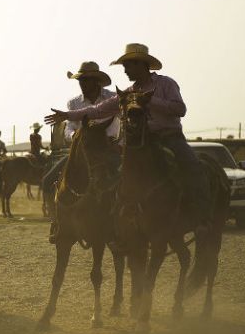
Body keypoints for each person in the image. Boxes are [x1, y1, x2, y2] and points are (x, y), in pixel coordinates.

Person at [45, 43, 212, 239]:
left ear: (141, 65)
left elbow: (180, 109)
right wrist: (67, 115)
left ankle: (202, 219)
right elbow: (98, 110)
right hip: (140, 142)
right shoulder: (127, 93)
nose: (124, 71)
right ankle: (122, 226)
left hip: (169, 138)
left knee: (192, 166)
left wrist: (148, 101)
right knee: (120, 179)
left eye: (128, 66)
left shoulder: (166, 84)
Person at [42, 61, 120, 243]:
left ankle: (120, 224)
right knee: (47, 181)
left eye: (86, 80)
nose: (82, 83)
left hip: (107, 149)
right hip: (81, 150)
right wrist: (75, 135)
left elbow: (120, 124)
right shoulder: (74, 102)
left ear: (97, 82)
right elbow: (69, 128)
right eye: (81, 80)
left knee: (123, 178)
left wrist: (118, 143)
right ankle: (58, 223)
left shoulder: (112, 98)